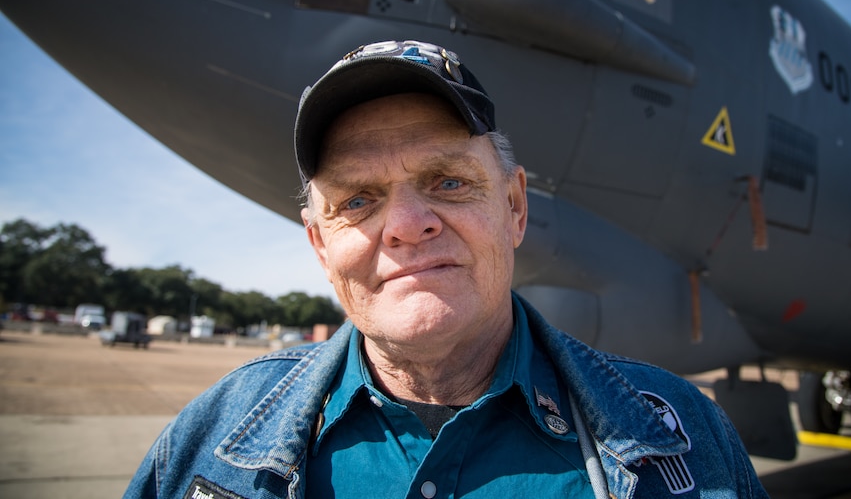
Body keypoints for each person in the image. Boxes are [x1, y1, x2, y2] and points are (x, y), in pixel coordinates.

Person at [124, 40, 768, 498]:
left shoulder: (685, 440)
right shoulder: (209, 438)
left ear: (514, 208)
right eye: (357, 201)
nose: (406, 224)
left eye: (449, 182)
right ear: (321, 247)